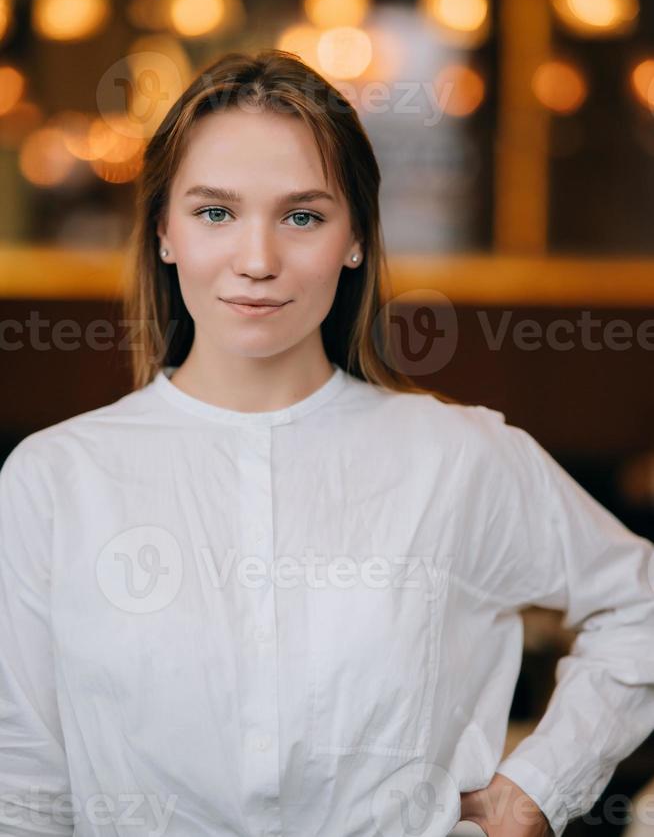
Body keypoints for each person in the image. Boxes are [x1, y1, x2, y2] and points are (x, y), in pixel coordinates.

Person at [1, 49, 653, 837]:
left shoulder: (457, 458)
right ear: (164, 232)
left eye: (302, 216)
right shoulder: (55, 480)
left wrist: (539, 787)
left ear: (355, 240)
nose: (257, 261)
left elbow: (641, 603)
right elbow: (24, 784)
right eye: (215, 213)